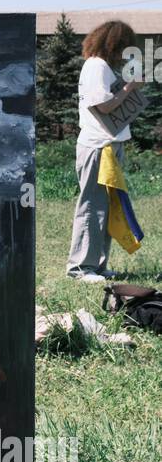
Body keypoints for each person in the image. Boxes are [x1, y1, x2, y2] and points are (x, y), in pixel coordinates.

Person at [67, 20, 141, 282]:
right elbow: (105, 106)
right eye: (125, 47)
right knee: (92, 205)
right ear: (115, 44)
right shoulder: (97, 66)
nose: (126, 54)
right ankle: (79, 268)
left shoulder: (101, 66)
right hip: (98, 145)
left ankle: (97, 264)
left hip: (108, 144)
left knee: (107, 207)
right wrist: (129, 87)